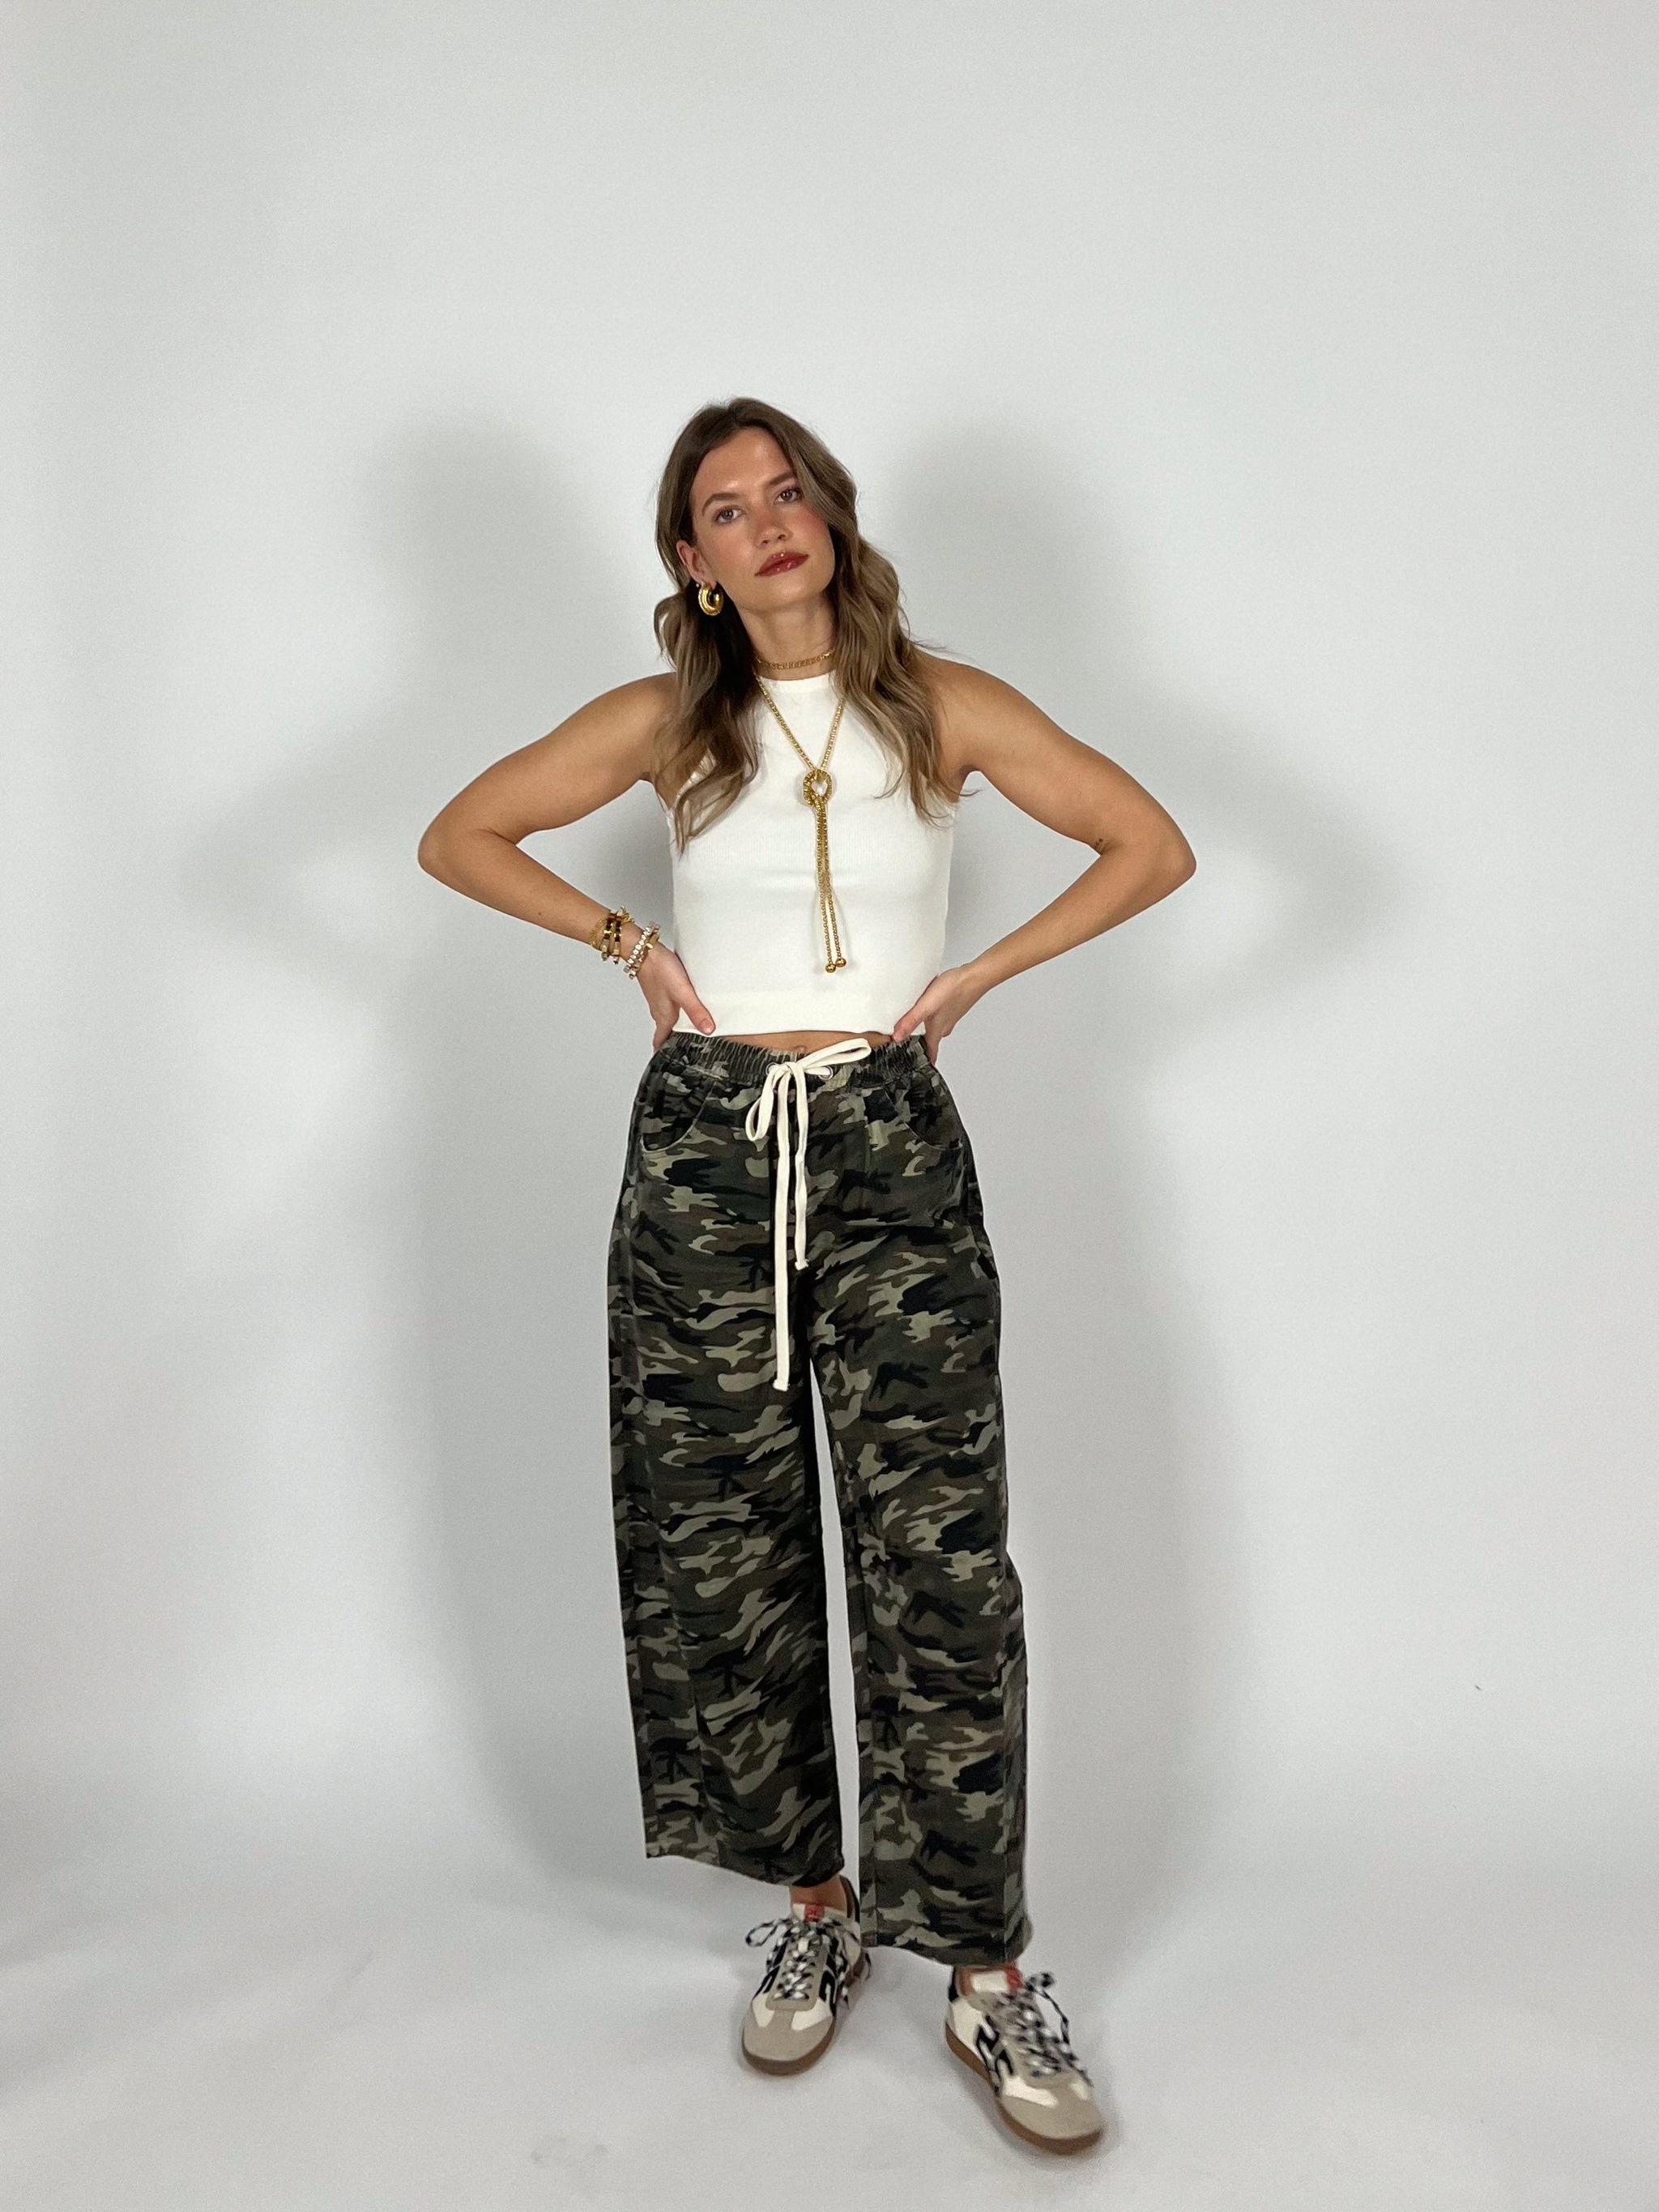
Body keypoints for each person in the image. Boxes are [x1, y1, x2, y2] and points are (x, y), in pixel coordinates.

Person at [417, 396, 1195, 2154]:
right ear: (690, 557)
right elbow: (458, 834)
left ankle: (985, 1968)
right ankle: (818, 1905)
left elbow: (1151, 845)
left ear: (830, 519)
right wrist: (625, 939)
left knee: (941, 1556)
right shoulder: (665, 722)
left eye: (789, 493)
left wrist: (977, 974)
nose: (767, 524)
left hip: (887, 1137)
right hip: (707, 1149)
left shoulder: (941, 703)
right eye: (726, 507)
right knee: (725, 1535)